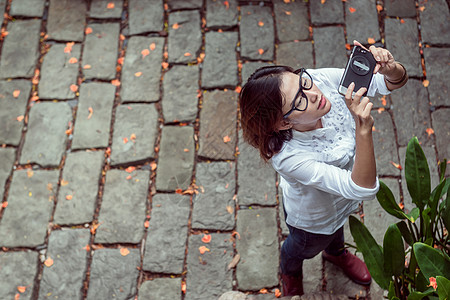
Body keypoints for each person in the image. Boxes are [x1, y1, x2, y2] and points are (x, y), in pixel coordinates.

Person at [238, 41, 408, 296]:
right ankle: (290, 270)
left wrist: (391, 68)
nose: (314, 93)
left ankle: (336, 254)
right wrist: (363, 128)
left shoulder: (319, 82)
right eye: (299, 100)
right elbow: (362, 189)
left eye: (303, 82)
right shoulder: (288, 158)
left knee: (337, 230)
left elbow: (389, 83)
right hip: (313, 218)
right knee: (301, 247)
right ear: (284, 123)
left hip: (338, 201)